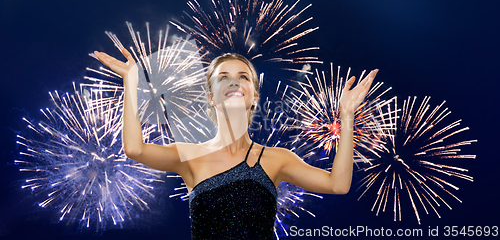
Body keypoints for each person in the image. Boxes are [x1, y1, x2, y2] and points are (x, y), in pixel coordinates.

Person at [94, 49, 378, 239]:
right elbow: (135, 148)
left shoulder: (276, 159)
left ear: (254, 96)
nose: (233, 82)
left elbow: (337, 184)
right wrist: (131, 82)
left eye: (243, 77)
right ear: (211, 97)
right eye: (223, 77)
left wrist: (347, 115)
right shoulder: (190, 156)